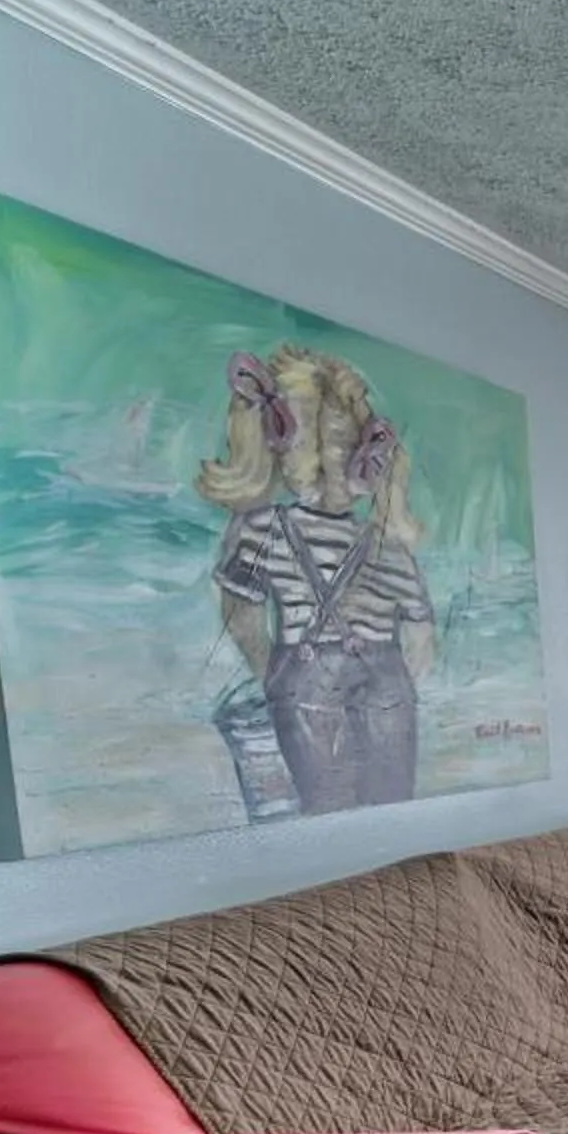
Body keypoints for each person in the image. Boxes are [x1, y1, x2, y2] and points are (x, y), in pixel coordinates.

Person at [196, 346, 434, 815]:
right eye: (323, 446)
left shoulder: (377, 540)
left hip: (355, 686)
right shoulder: (268, 528)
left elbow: (241, 612)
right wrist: (279, 675)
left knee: (361, 809)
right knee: (364, 809)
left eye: (343, 446)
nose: (333, 461)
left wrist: (281, 675)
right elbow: (420, 632)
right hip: (364, 685)